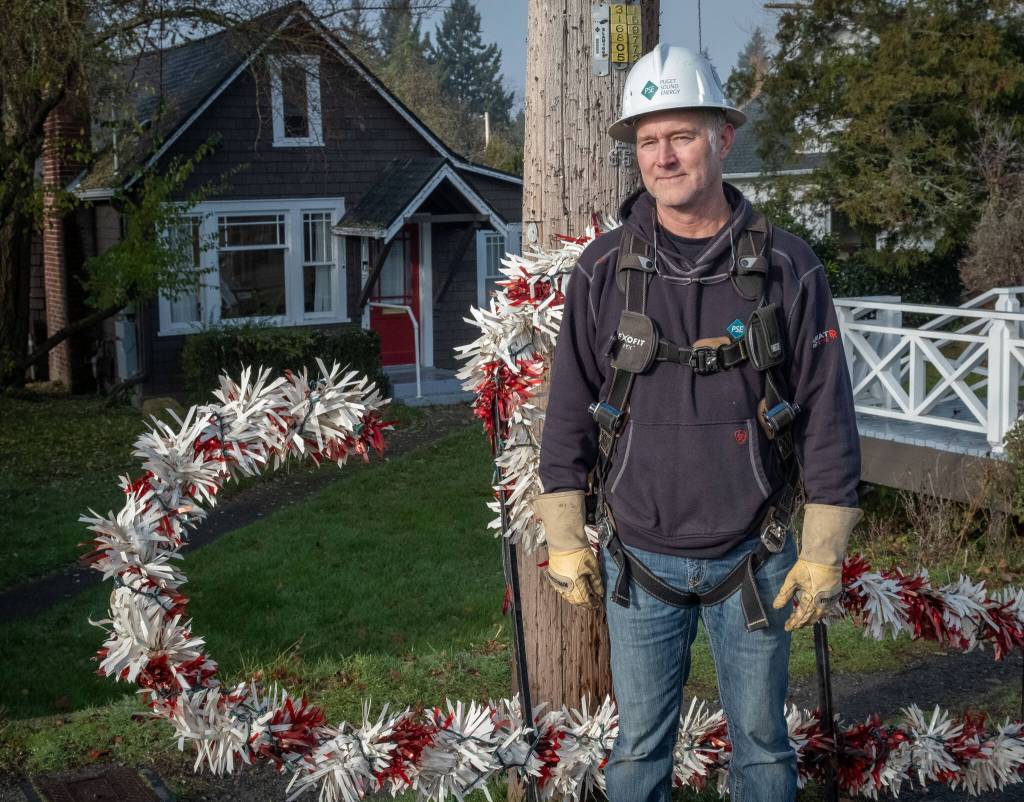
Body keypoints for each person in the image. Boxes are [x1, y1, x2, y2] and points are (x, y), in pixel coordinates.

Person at [531, 44, 862, 802]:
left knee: (765, 752)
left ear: (723, 138)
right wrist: (561, 533)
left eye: (681, 134)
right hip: (637, 560)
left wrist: (824, 550)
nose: (664, 155)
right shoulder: (603, 269)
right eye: (648, 139)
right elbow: (570, 407)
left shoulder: (787, 267)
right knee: (638, 753)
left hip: (759, 557)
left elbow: (828, 416)